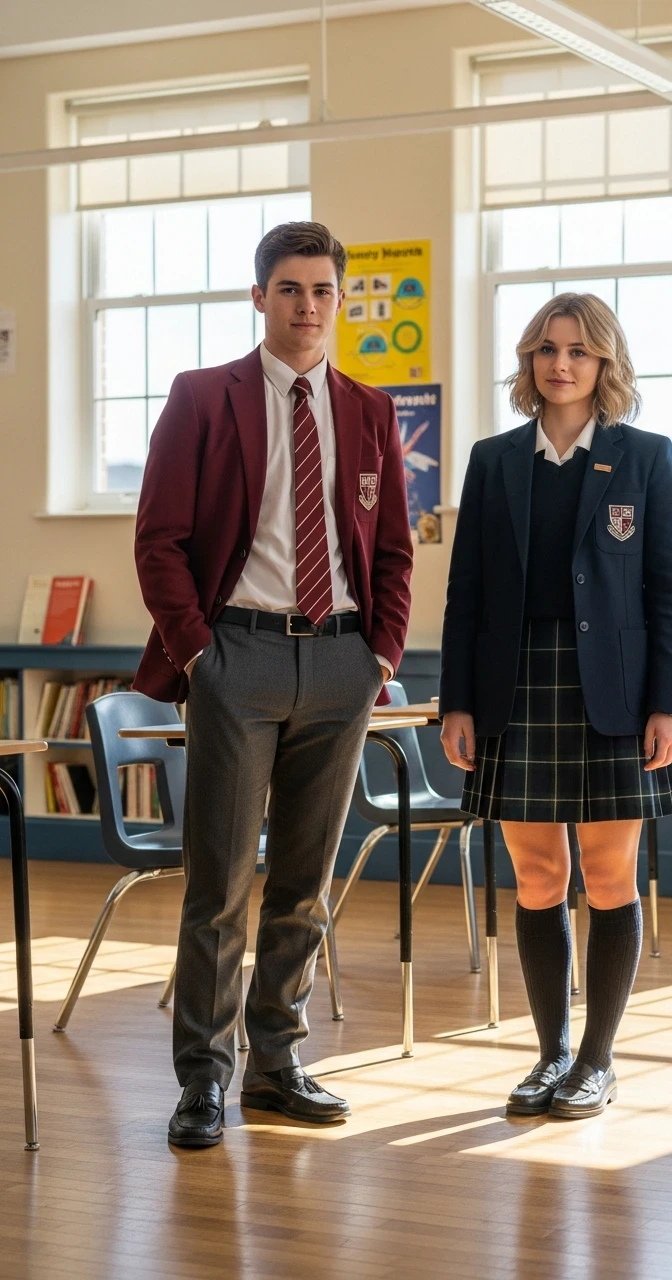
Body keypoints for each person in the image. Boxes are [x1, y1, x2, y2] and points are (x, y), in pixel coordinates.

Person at [134, 221, 414, 1146]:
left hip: (340, 660)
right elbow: (159, 541)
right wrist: (198, 653)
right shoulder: (202, 397)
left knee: (305, 878)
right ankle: (202, 1080)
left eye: (322, 290)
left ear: (341, 301)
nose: (307, 306)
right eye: (289, 289)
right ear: (259, 298)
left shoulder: (372, 411)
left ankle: (276, 1064)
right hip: (237, 656)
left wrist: (378, 656)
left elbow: (394, 551)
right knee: (217, 880)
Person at [440, 292, 672, 1120]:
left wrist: (670, 704)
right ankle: (549, 1055)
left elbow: (668, 593)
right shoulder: (492, 460)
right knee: (539, 876)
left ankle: (598, 1060)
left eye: (578, 351)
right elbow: (465, 593)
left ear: (604, 363)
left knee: (610, 876)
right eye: (546, 348)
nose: (560, 363)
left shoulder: (646, 457)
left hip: (612, 692)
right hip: (516, 688)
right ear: (529, 360)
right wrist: (458, 703)